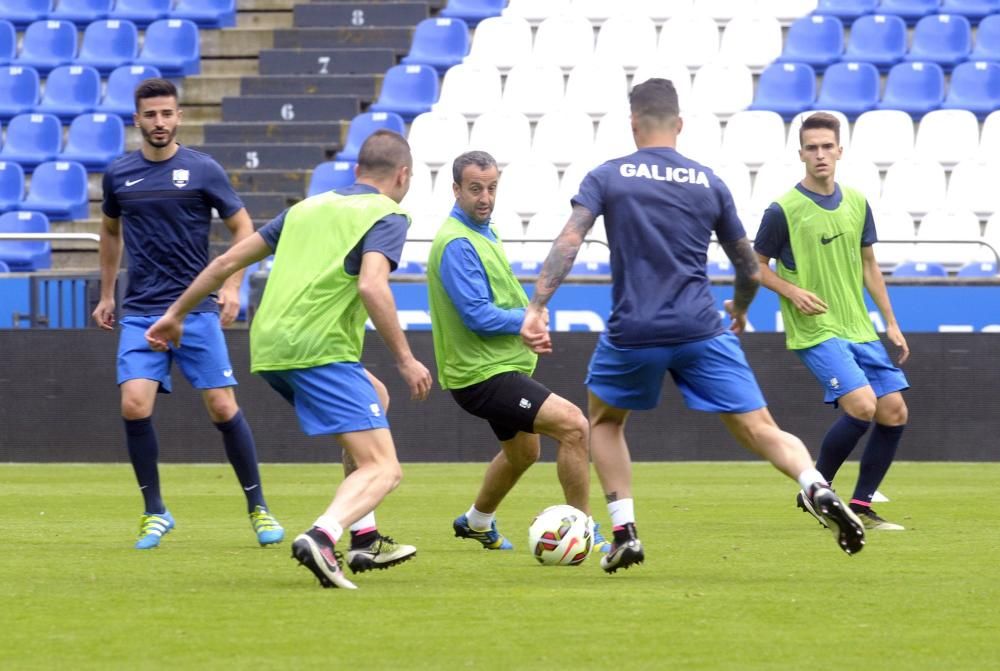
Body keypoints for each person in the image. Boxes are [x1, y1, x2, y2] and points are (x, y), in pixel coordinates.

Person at [519, 78, 866, 574]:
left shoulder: (608, 176)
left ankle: (625, 532)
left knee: (605, 422)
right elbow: (749, 267)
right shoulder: (709, 181)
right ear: (679, 124)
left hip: (634, 329)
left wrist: (537, 304)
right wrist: (742, 310)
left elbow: (570, 240)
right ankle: (815, 485)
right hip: (702, 327)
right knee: (760, 427)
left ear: (634, 124)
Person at [145, 129, 432, 589]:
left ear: (356, 172)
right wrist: (405, 358)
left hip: (271, 346)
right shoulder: (388, 214)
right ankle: (323, 536)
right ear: (403, 175)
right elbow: (372, 286)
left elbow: (225, 264)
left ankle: (365, 537)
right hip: (318, 348)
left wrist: (175, 315)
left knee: (374, 396)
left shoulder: (305, 208)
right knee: (386, 468)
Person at [92, 78, 283, 550]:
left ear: (179, 117)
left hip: (196, 311)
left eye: (167, 114)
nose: (160, 122)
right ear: (137, 120)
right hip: (141, 311)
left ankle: (258, 507)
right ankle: (155, 511)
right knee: (134, 404)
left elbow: (244, 229)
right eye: (150, 115)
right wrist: (107, 293)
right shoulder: (119, 175)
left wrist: (235, 285)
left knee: (222, 406)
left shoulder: (203, 170)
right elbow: (110, 232)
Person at [426, 151, 605, 553]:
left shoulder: (484, 231)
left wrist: (526, 325)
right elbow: (476, 315)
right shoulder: (457, 242)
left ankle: (476, 521)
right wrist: (526, 321)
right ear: (455, 189)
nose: (485, 197)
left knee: (524, 452)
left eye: (491, 188)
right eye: (475, 189)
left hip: (494, 367)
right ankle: (584, 530)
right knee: (574, 427)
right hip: (482, 375)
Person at [754, 112, 910, 532]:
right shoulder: (783, 209)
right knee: (862, 405)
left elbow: (869, 264)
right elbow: (755, 267)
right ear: (800, 153)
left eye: (827, 146)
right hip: (816, 329)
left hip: (858, 326)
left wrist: (891, 323)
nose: (820, 154)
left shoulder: (857, 201)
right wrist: (792, 291)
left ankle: (859, 505)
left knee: (893, 411)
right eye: (812, 147)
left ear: (840, 150)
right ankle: (815, 489)